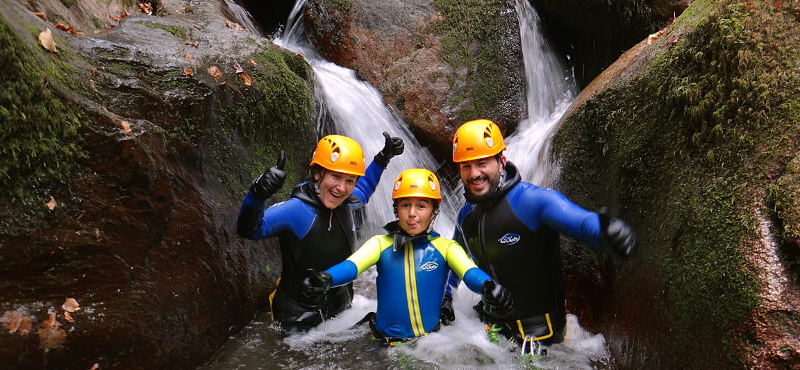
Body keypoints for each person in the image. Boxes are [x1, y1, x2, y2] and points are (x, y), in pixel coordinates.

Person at [445, 119, 637, 350]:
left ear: (501, 162)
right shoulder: (465, 216)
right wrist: (445, 298)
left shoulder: (532, 201)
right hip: (488, 332)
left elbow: (581, 221)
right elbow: (454, 260)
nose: (474, 173)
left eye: (482, 163)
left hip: (540, 337)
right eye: (466, 166)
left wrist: (606, 233)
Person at [301, 168, 513, 344]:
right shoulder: (380, 244)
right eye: (405, 205)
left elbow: (470, 273)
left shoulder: (446, 248)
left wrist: (488, 287)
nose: (412, 213)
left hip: (430, 344)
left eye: (421, 206)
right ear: (396, 210)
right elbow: (352, 267)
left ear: (433, 211)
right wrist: (326, 278)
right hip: (384, 341)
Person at [236, 132, 404, 332]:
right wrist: (257, 195)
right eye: (335, 176)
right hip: (298, 320)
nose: (341, 188)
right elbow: (248, 230)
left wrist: (383, 157)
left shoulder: (349, 202)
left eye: (350, 180)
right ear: (317, 173)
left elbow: (365, 188)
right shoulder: (295, 210)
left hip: (341, 306)